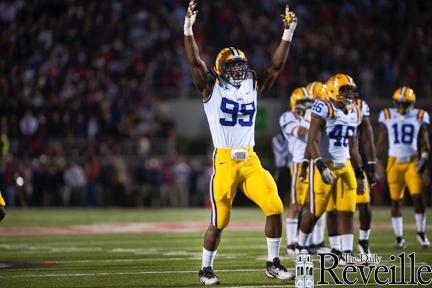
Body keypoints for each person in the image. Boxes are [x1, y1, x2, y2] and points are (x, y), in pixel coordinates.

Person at [183, 0, 297, 284]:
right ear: (221, 68)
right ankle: (205, 268)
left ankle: (273, 263)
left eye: (241, 65)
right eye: (232, 65)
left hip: (250, 159)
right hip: (223, 161)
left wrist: (288, 32)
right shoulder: (211, 87)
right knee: (219, 221)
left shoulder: (251, 84)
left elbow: (275, 66)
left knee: (275, 207)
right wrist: (187, 29)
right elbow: (195, 62)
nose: (238, 70)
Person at [297, 74, 365, 262]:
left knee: (348, 211)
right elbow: (312, 141)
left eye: (351, 89)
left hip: (346, 167)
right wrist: (319, 166)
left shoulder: (355, 112)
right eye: (345, 89)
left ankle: (346, 253)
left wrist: (360, 173)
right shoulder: (324, 107)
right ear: (334, 89)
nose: (349, 93)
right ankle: (300, 246)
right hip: (324, 165)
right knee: (315, 211)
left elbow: (354, 147)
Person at [376, 87, 430, 249]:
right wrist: (376, 161)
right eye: (399, 103)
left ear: (411, 103)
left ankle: (421, 233)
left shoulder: (420, 115)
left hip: (413, 161)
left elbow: (424, 139)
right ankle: (399, 237)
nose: (402, 106)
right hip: (394, 162)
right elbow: (382, 140)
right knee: (396, 201)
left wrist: (425, 158)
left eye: (405, 103)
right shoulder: (387, 115)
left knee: (417, 197)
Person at [279, 87, 326, 256]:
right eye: (303, 102)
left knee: (316, 206)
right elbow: (300, 132)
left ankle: (315, 242)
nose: (307, 105)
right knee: (296, 204)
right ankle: (291, 244)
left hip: (317, 163)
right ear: (294, 103)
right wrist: (313, 126)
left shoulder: (312, 117)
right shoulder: (287, 117)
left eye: (309, 102)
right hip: (300, 164)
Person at [271, 132, 291, 205]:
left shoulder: (290, 138)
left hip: (290, 167)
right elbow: (281, 150)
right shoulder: (276, 139)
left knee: (291, 189)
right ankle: (278, 205)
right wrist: (291, 143)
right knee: (279, 189)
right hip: (281, 168)